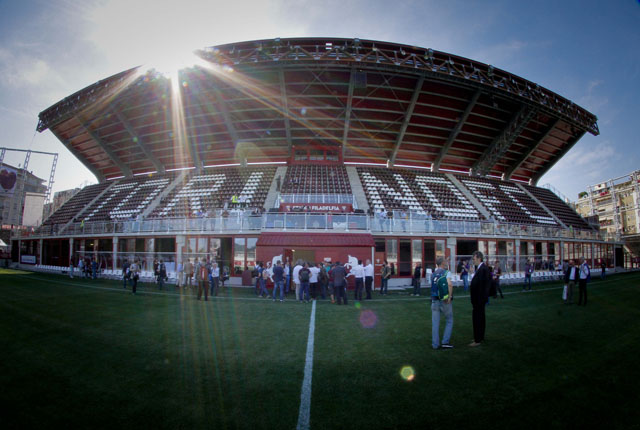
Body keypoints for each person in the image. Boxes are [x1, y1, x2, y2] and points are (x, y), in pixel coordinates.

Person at [431, 257, 454, 349]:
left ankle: (435, 344)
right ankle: (445, 341)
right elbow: (449, 284)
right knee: (449, 320)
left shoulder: (433, 274)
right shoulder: (446, 272)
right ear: (443, 263)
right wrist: (450, 296)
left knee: (435, 323)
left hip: (434, 300)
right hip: (444, 300)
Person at [469, 251, 491, 347]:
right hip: (479, 299)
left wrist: (471, 275)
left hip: (479, 299)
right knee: (480, 318)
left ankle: (477, 340)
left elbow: (481, 285)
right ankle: (480, 337)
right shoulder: (480, 269)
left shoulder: (483, 269)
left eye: (474, 259)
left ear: (479, 258)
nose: (473, 261)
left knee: (477, 319)